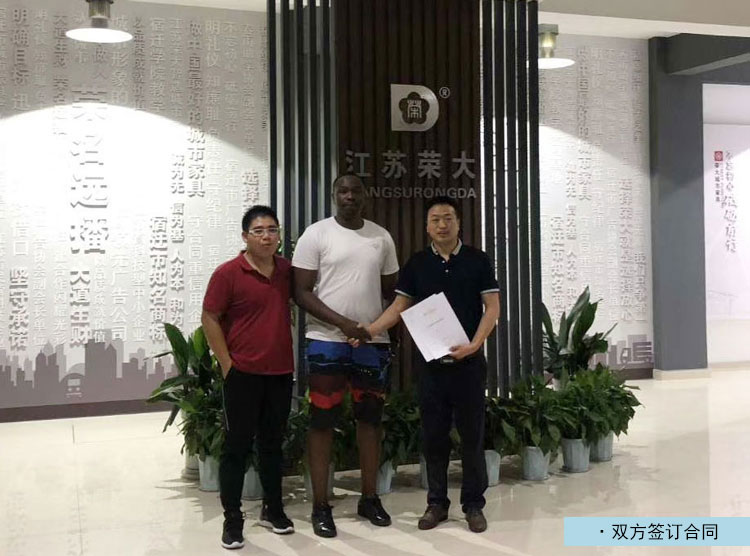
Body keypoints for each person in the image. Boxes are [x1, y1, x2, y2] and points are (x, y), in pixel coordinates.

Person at [361, 196, 500, 533]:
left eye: (448, 218)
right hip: (431, 366)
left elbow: (493, 307)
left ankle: (473, 505)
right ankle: (436, 503)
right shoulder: (417, 264)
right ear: (427, 226)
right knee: (434, 437)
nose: (442, 224)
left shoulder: (478, 260)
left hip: (469, 365)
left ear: (459, 223)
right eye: (435, 219)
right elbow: (399, 307)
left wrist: (475, 345)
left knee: (472, 437)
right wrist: (370, 331)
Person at [292, 174, 399, 538]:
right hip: (326, 341)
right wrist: (344, 324)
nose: (349, 196)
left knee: (370, 421)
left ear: (365, 196)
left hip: (372, 343)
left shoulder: (381, 237)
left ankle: (369, 498)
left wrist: (376, 330)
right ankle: (321, 505)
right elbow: (301, 292)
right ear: (334, 195)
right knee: (322, 422)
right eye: (343, 191)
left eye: (356, 191)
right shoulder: (316, 234)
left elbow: (393, 292)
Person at [202, 205, 295, 550]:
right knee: (236, 448)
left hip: (280, 372)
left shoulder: (286, 271)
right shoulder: (228, 273)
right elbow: (210, 317)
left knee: (272, 444)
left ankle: (273, 509)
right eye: (259, 231)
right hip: (242, 374)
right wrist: (227, 364)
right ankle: (232, 519)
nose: (267, 237)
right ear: (245, 236)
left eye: (272, 230)